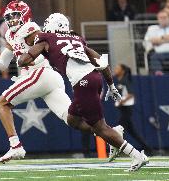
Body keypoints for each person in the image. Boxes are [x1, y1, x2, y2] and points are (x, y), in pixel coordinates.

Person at [18, 13, 149, 172]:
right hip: (95, 77)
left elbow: (23, 61)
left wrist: (22, 55)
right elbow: (100, 60)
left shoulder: (46, 38)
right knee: (72, 119)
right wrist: (111, 85)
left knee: (100, 128)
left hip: (83, 82)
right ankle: (113, 134)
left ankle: (136, 155)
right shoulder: (77, 39)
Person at [0, 0, 72, 163]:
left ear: (25, 15)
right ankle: (112, 135)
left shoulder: (30, 28)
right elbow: (2, 64)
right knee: (72, 119)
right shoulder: (11, 35)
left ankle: (16, 146)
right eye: (9, 17)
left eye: (15, 16)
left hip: (39, 73)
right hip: (48, 77)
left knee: (1, 104)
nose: (12, 20)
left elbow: (47, 45)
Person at [112, 64, 153, 155]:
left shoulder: (125, 80)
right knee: (132, 131)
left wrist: (121, 101)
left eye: (117, 68)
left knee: (120, 129)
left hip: (127, 108)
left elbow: (131, 94)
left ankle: (119, 149)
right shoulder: (120, 81)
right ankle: (147, 148)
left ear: (122, 70)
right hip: (123, 109)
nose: (115, 70)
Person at [144, 10, 169, 75]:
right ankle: (159, 75)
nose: (163, 19)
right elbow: (152, 41)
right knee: (154, 57)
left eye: (165, 17)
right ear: (157, 19)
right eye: (160, 18)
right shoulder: (152, 29)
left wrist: (160, 40)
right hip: (159, 53)